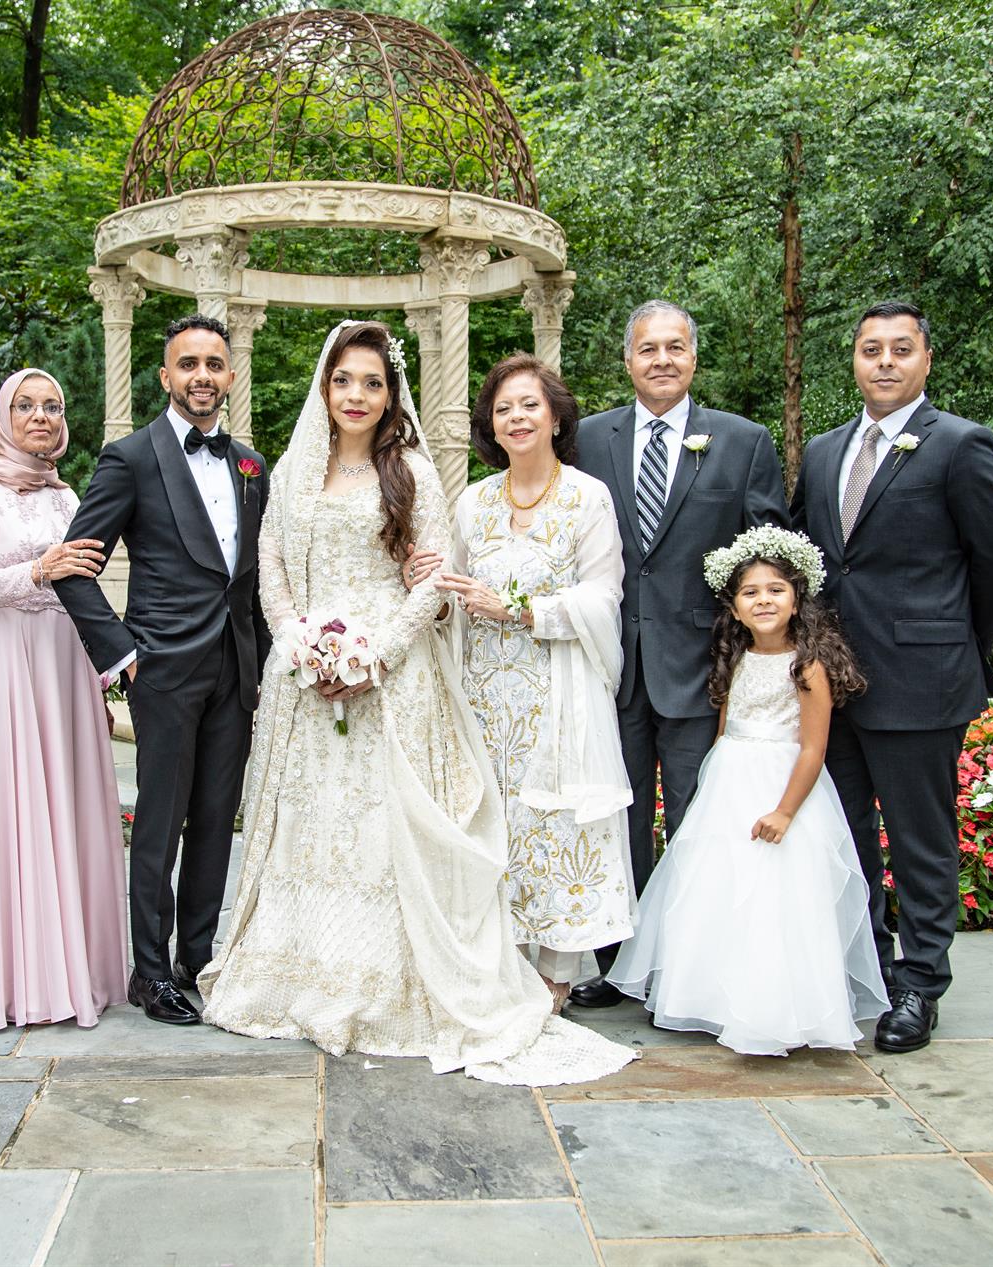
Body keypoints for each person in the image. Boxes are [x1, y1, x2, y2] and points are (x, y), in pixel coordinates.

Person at [197, 320, 635, 1087]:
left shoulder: (414, 474)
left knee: (385, 834)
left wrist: (375, 655)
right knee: (313, 829)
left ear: (390, 392)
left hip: (392, 684)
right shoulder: (293, 471)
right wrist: (299, 644)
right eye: (343, 380)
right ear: (325, 386)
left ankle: (393, 982)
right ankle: (299, 970)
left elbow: (433, 579)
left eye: (372, 382)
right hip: (307, 686)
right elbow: (271, 568)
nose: (356, 394)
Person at [791, 300, 993, 1053]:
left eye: (900, 349)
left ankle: (922, 983)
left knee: (922, 840)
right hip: (833, 683)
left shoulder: (960, 444)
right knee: (847, 835)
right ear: (854, 360)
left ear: (926, 358)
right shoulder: (824, 452)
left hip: (922, 680)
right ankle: (873, 967)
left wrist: (952, 641)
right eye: (871, 349)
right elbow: (810, 559)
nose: (884, 362)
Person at [566, 301, 789, 1009]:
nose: (661, 359)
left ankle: (694, 969)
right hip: (610, 667)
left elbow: (770, 561)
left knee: (698, 820)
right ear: (627, 360)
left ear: (694, 356)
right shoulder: (587, 439)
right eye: (647, 348)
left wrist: (757, 659)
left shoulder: (743, 441)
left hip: (703, 668)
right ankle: (619, 964)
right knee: (618, 820)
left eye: (674, 347)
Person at [54, 315, 270, 1026]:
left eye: (214, 364)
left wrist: (265, 663)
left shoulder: (251, 466)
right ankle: (149, 972)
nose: (202, 376)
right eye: (188, 364)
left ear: (229, 375)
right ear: (165, 376)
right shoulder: (130, 458)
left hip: (235, 669)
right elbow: (73, 567)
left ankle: (196, 956)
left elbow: (253, 578)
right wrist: (123, 653)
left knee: (215, 819)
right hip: (163, 670)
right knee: (159, 822)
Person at [609, 528, 888, 1054]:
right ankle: (711, 997)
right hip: (729, 785)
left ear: (797, 600)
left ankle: (773, 1004)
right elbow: (724, 730)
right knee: (717, 884)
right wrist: (711, 785)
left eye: (776, 590)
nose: (764, 600)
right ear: (734, 609)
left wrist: (785, 811)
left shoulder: (807, 666)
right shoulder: (735, 657)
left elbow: (813, 749)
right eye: (750, 592)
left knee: (774, 891)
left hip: (780, 785)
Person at [424, 355, 633, 1014]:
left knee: (555, 821)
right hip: (484, 694)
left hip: (558, 691)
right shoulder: (473, 502)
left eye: (529, 405)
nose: (516, 417)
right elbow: (454, 594)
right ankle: (499, 961)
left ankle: (556, 972)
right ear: (490, 424)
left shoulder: (587, 497)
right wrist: (432, 593)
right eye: (503, 408)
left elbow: (603, 596)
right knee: (493, 822)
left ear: (556, 417)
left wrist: (520, 610)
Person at [0, 368, 128, 1032]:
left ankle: (72, 973)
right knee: (9, 806)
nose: (41, 416)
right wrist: (36, 571)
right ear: (4, 417)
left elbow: (83, 586)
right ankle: (9, 981)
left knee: (65, 805)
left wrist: (100, 672)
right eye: (26, 405)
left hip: (63, 664)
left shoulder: (67, 496)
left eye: (53, 406)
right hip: (0, 662)